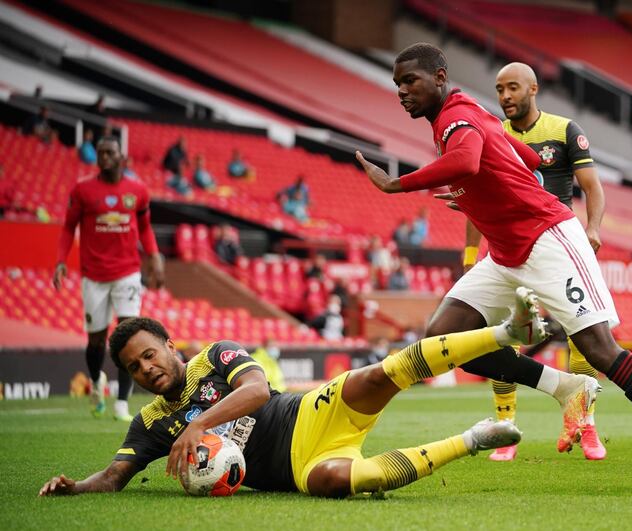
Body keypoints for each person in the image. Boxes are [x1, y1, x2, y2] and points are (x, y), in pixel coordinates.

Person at [355, 42, 632, 490]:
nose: (401, 91)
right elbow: (527, 159)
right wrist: (482, 196)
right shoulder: (466, 113)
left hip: (547, 241)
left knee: (601, 351)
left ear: (439, 77)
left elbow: (469, 160)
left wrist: (397, 184)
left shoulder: (456, 118)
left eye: (409, 81)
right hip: (505, 252)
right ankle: (564, 387)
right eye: (397, 83)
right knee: (442, 338)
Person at [38, 294, 543, 498]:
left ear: (169, 345)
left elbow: (257, 391)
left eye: (149, 355)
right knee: (342, 482)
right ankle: (473, 439)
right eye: (134, 367)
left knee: (380, 375)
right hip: (295, 473)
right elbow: (113, 476)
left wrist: (197, 424)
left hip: (308, 414)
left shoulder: (214, 356)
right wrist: (74, 488)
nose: (146, 369)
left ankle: (505, 331)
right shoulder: (149, 424)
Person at [457, 62, 609, 461]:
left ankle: (585, 423)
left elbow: (592, 187)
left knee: (583, 334)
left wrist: (593, 228)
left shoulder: (564, 130)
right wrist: (472, 257)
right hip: (509, 248)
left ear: (533, 88)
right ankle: (506, 431)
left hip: (558, 246)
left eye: (512, 88)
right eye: (499, 89)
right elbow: (475, 202)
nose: (505, 96)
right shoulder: (491, 134)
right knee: (499, 334)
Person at [53, 136, 165, 422]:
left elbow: (145, 228)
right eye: (100, 153)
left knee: (128, 336)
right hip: (94, 276)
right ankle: (96, 380)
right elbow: (68, 228)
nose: (103, 157)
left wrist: (154, 256)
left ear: (120, 157)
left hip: (127, 273)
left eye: (109, 153)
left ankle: (120, 404)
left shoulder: (137, 191)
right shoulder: (83, 190)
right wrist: (61, 262)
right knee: (96, 341)